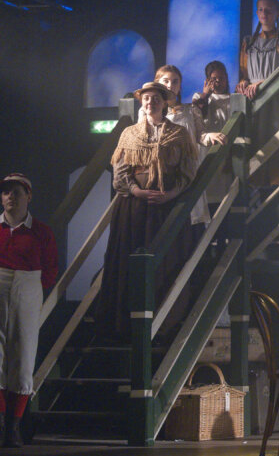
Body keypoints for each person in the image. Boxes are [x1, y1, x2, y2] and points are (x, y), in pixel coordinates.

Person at [95, 82, 197, 343]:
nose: (150, 102)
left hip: (167, 209)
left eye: (155, 98)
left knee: (167, 262)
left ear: (164, 103)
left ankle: (166, 323)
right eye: (146, 98)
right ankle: (126, 323)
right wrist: (136, 191)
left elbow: (188, 173)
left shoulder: (180, 134)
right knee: (130, 259)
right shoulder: (129, 134)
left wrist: (171, 194)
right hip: (134, 209)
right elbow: (120, 174)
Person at [0, 173, 57, 448]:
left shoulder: (40, 231)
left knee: (24, 353)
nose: (10, 197)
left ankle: (15, 426)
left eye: (16, 192)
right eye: (6, 192)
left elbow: (50, 269)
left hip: (28, 284)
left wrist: (29, 288)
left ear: (28, 196)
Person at [153, 64, 226, 233]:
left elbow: (200, 135)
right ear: (158, 83)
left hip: (186, 171)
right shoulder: (149, 111)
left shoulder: (190, 110)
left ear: (179, 86)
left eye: (175, 81)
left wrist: (211, 136)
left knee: (188, 222)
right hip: (161, 172)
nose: (170, 85)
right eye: (166, 81)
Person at [236, 0, 279, 182]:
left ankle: (278, 184)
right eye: (260, 9)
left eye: (268, 10)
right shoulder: (248, 42)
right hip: (254, 101)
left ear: (277, 13)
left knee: (277, 141)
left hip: (278, 100)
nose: (264, 14)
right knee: (254, 141)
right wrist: (244, 82)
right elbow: (244, 73)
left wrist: (262, 83)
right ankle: (255, 184)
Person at [191, 60, 234, 206]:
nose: (218, 82)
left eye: (221, 78)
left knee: (224, 193)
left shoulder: (233, 99)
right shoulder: (199, 97)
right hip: (206, 148)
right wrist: (206, 94)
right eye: (214, 79)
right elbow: (196, 114)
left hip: (226, 148)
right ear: (208, 80)